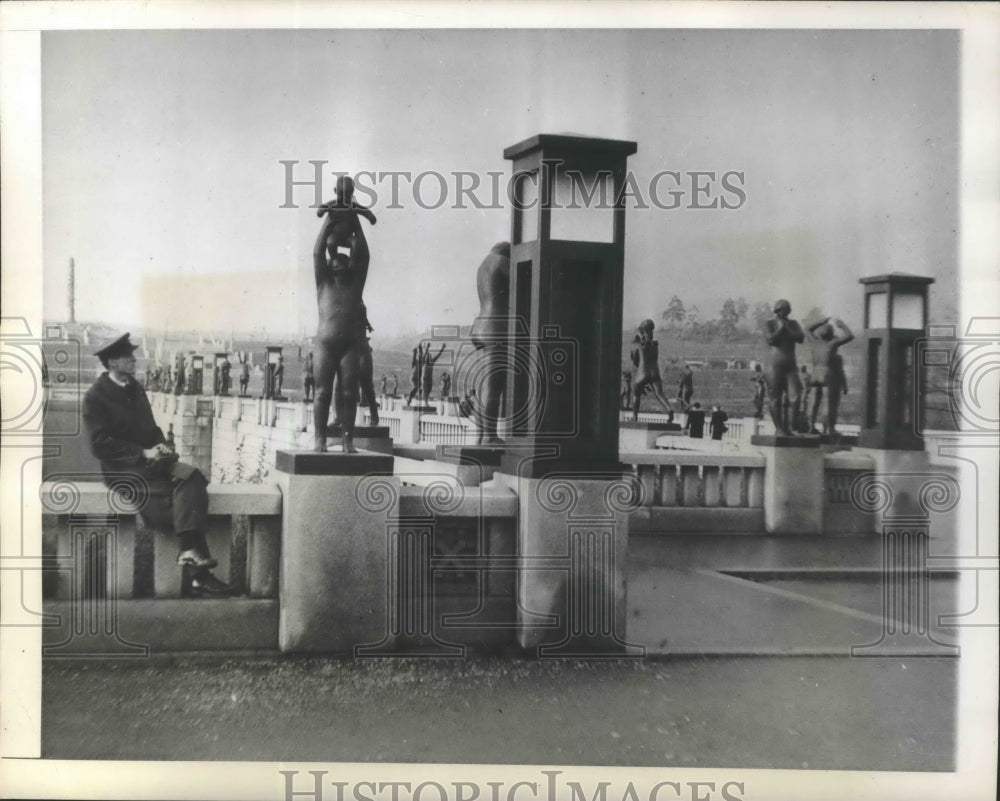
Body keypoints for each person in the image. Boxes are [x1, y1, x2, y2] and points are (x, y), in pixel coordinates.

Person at [82, 334, 234, 597]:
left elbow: (150, 428)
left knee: (193, 476)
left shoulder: (135, 388)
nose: (134, 359)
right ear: (112, 362)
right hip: (123, 469)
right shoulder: (95, 396)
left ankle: (189, 551)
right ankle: (200, 575)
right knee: (173, 498)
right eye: (128, 356)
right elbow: (99, 444)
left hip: (151, 460)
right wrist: (142, 452)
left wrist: (161, 444)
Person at [313, 175, 372, 452]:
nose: (340, 261)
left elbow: (365, 254)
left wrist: (353, 216)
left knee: (350, 393)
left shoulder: (354, 286)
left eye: (344, 260)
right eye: (334, 259)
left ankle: (348, 441)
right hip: (325, 343)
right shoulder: (323, 284)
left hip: (349, 344)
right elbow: (316, 253)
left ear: (348, 265)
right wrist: (331, 218)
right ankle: (320, 439)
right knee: (323, 392)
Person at [469, 242, 511, 445]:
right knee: (494, 384)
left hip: (480, 325)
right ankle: (490, 435)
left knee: (484, 382)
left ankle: (480, 435)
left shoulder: (483, 265)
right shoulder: (503, 262)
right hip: (496, 327)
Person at [807, 316, 854, 437]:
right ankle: (829, 429)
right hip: (827, 374)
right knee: (829, 404)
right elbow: (849, 336)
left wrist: (821, 321)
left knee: (814, 403)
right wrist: (842, 324)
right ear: (831, 335)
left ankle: (811, 426)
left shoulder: (814, 342)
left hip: (815, 374)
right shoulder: (832, 344)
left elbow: (807, 329)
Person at [763, 299, 805, 435]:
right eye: (781, 310)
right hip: (774, 365)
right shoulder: (769, 324)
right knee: (775, 398)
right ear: (776, 311)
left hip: (790, 366)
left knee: (795, 397)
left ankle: (792, 426)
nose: (783, 313)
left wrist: (787, 328)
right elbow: (771, 339)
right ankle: (779, 428)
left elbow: (801, 338)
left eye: (786, 310)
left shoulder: (793, 324)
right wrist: (781, 328)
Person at [630, 319, 675, 423]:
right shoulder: (655, 345)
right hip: (655, 372)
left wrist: (638, 335)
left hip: (642, 372)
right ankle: (669, 409)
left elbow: (635, 360)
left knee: (636, 394)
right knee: (659, 393)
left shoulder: (638, 345)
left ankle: (634, 416)